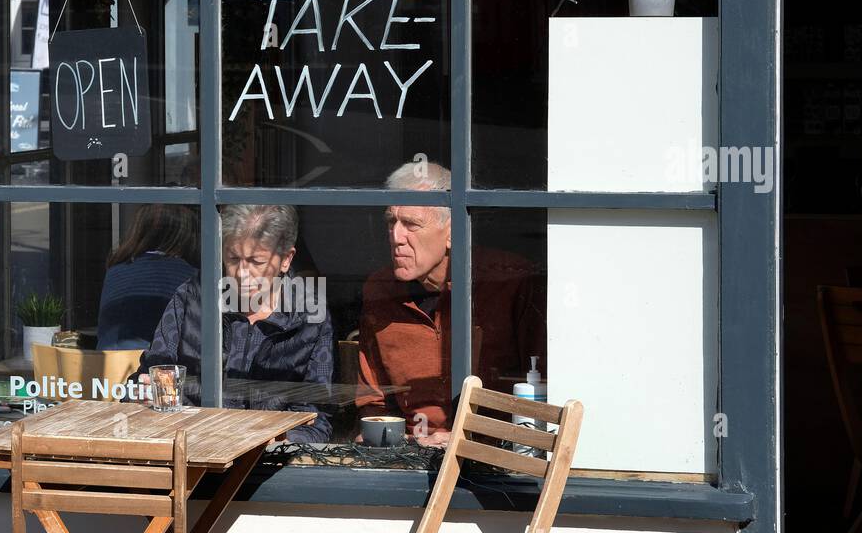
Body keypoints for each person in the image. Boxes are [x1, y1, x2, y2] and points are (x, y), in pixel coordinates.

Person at [356, 161, 544, 446]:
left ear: (452, 231)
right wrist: (396, 440)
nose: (396, 237)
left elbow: (540, 387)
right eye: (391, 222)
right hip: (411, 453)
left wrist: (468, 437)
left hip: (494, 453)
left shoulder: (509, 282)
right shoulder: (380, 289)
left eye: (411, 224)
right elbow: (374, 400)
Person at [134, 204, 333, 443]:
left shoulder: (309, 315)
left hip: (268, 456)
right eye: (233, 259)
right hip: (194, 445)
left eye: (256, 261)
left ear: (286, 259)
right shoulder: (193, 297)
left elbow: (316, 420)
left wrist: (277, 438)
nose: (242, 273)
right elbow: (148, 377)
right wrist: (145, 394)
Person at [96, 205, 198, 350]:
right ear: (187, 237)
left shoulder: (115, 270)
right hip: (155, 361)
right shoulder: (188, 274)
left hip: (109, 361)